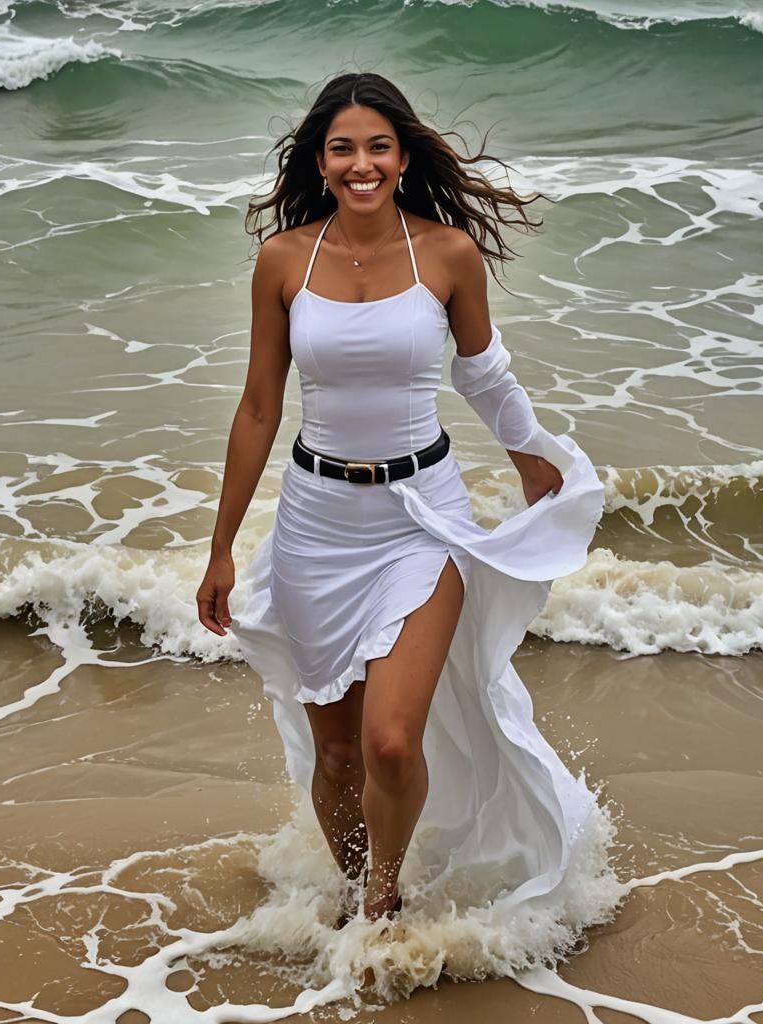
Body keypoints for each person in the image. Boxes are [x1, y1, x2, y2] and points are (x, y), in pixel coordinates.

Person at [196, 72, 612, 934]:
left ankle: (383, 896)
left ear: (402, 155)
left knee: (390, 740)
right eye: (343, 148)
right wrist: (223, 545)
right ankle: (353, 893)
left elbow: (484, 373)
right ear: (320, 160)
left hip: (422, 518)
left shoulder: (447, 253)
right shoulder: (285, 262)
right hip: (316, 522)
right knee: (339, 753)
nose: (361, 164)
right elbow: (259, 407)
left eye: (377, 147)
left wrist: (534, 459)